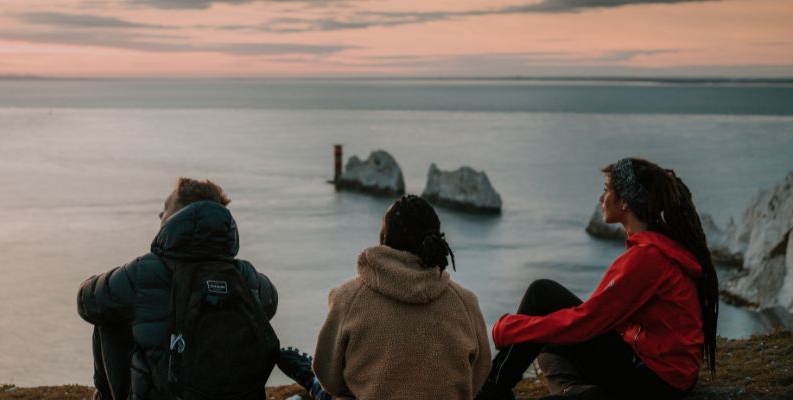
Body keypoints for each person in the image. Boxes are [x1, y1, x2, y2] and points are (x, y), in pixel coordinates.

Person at [475, 157, 719, 400]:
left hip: (655, 381)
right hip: (665, 372)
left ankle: (492, 392)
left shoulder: (648, 258)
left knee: (542, 295)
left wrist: (508, 329)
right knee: (549, 340)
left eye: (607, 190)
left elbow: (588, 322)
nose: (601, 199)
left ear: (625, 202)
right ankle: (575, 392)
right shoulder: (657, 247)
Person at [77, 177, 279, 400]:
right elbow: (270, 304)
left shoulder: (144, 271)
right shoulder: (244, 276)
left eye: (165, 209)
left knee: (110, 316)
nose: (160, 215)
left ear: (179, 218)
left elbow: (87, 302)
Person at [278, 194, 492, 400]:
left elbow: (328, 376)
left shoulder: (347, 298)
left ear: (383, 240)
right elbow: (478, 375)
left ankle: (309, 382)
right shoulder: (466, 302)